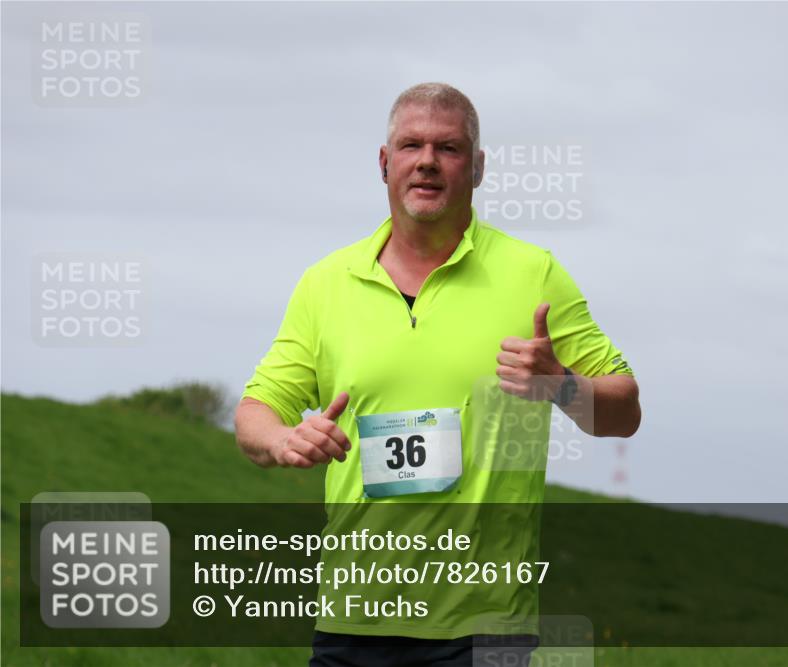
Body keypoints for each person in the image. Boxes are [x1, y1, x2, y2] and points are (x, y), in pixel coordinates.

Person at [235, 82, 641, 667]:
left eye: (449, 148)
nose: (427, 160)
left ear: (477, 168)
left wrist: (561, 384)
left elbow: (624, 412)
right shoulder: (324, 284)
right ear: (384, 163)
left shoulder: (535, 275)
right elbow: (255, 411)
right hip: (352, 622)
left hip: (485, 627)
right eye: (411, 145)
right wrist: (282, 438)